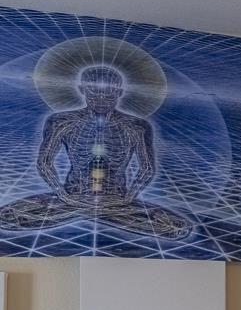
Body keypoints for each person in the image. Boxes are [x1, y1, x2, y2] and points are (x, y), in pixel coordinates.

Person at [0, 61, 194, 238]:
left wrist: (130, 196)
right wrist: (62, 193)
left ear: (119, 92)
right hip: (72, 196)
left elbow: (147, 169)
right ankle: (91, 211)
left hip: (116, 199)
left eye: (109, 93)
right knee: (8, 218)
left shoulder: (136, 126)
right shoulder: (62, 122)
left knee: (176, 228)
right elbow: (44, 163)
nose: (102, 99)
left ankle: (93, 212)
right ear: (82, 90)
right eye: (95, 92)